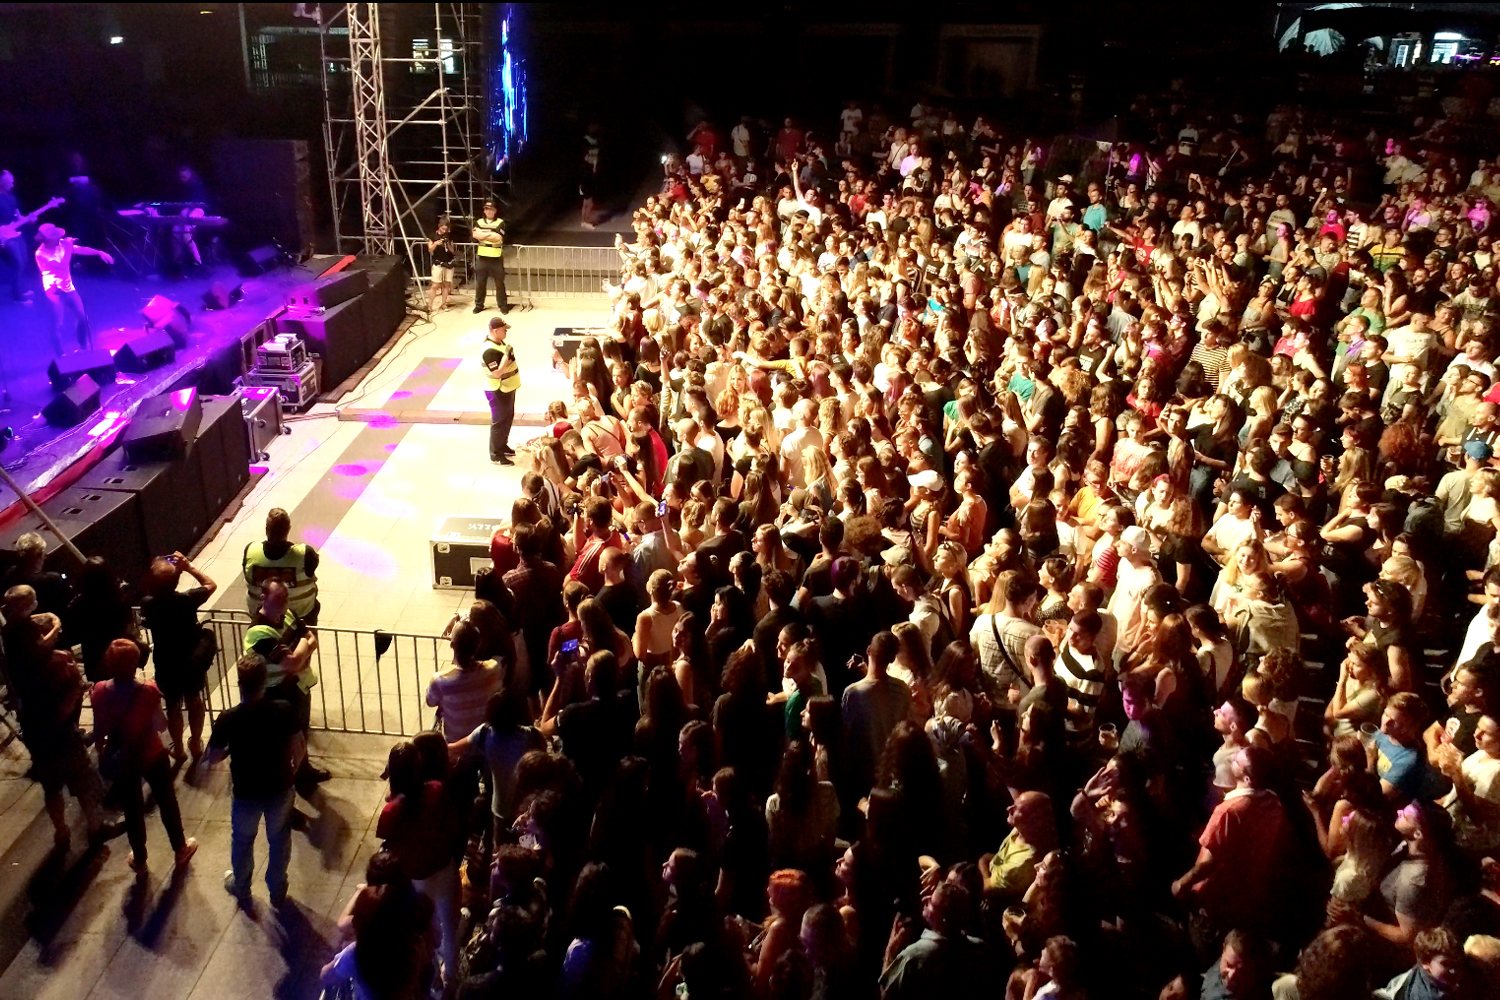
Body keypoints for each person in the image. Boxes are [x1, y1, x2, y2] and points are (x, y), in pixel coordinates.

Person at [2, 584, 121, 851]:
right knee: (83, 780)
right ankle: (96, 828)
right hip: (61, 735)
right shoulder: (52, 670)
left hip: (34, 731)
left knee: (51, 785)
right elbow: (62, 711)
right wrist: (77, 688)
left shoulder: (10, 635)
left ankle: (61, 832)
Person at [202, 654, 302, 907]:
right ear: (264, 680)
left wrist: (229, 750)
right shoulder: (283, 710)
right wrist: (292, 772)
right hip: (279, 786)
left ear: (239, 683)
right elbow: (298, 746)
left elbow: (213, 757)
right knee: (279, 839)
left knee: (243, 840)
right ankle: (277, 889)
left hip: (246, 791)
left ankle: (242, 886)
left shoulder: (228, 718)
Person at [90, 639, 197, 872]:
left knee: (132, 809)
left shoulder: (99, 691)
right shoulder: (147, 691)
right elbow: (160, 725)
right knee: (167, 801)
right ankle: (180, 849)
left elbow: (99, 728)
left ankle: (140, 859)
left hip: (123, 759)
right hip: (151, 754)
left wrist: (101, 750)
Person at [139, 551, 217, 762]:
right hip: (191, 661)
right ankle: (196, 743)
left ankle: (179, 749)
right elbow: (210, 585)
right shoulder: (187, 600)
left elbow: (148, 592)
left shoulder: (148, 604)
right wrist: (188, 567)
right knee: (194, 700)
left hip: (166, 662)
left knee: (172, 706)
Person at [33, 222, 112, 352]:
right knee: (57, 325)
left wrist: (98, 252)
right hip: (54, 292)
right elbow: (61, 265)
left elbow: (80, 249)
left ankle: (82, 346)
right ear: (49, 240)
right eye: (56, 237)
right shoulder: (40, 254)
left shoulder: (61, 244)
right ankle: (61, 356)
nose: (60, 238)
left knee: (82, 318)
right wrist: (69, 246)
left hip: (68, 288)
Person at [243, 507, 321, 622]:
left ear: (267, 529)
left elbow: (246, 574)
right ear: (288, 529)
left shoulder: (251, 550)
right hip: (301, 616)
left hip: (261, 617)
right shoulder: (305, 554)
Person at [481, 315, 521, 465]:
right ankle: (496, 454)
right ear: (495, 330)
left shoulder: (499, 343)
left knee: (507, 418)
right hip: (498, 390)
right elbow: (497, 373)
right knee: (499, 422)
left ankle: (502, 445)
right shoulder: (489, 351)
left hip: (507, 387)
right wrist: (506, 360)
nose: (506, 332)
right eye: (504, 330)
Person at [472, 199, 508, 313]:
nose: (489, 211)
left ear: (495, 211)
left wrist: (483, 234)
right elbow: (475, 235)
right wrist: (490, 233)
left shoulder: (500, 222)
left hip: (496, 256)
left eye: (491, 209)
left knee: (499, 283)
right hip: (482, 256)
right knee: (480, 283)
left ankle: (502, 306)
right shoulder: (478, 222)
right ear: (484, 211)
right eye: (487, 209)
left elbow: (498, 238)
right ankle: (479, 305)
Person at [427, 216, 456, 312]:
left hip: (448, 262)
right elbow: (430, 249)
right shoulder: (432, 236)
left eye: (446, 229)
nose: (444, 231)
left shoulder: (449, 236)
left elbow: (453, 250)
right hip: (438, 263)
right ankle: (429, 305)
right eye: (442, 229)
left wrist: (447, 244)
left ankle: (443, 304)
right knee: (435, 285)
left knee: (446, 284)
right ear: (439, 226)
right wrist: (436, 243)